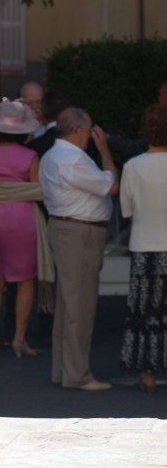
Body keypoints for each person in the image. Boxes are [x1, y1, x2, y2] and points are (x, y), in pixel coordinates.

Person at [39, 106, 119, 391]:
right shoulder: (72, 158)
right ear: (76, 130)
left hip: (67, 229)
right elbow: (110, 185)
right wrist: (105, 151)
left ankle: (65, 371)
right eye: (88, 129)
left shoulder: (53, 155)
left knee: (69, 303)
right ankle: (77, 374)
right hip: (79, 232)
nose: (92, 134)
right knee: (79, 305)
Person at [0, 100, 53, 358]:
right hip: (21, 216)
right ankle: (18, 339)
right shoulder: (30, 156)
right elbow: (38, 190)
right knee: (25, 279)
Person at [118, 104, 167, 394]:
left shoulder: (133, 166)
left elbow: (127, 211)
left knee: (145, 310)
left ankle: (146, 372)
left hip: (144, 246)